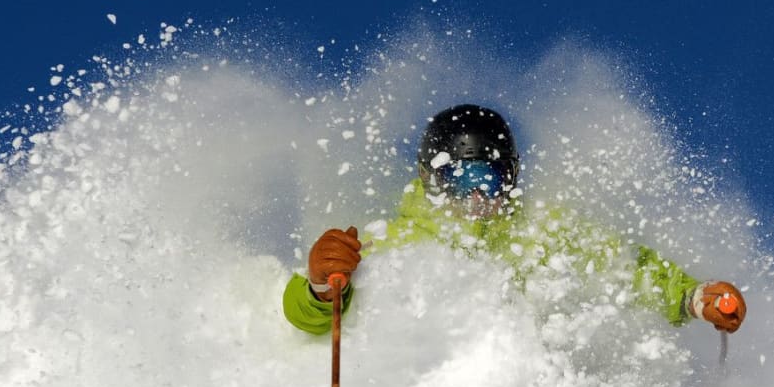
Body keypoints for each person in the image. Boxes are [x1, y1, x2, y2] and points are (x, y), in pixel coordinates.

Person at [283, 104, 747, 337]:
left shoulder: (541, 234)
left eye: (491, 176)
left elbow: (627, 267)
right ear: (428, 178)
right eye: (458, 177)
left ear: (513, 175)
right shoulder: (392, 243)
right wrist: (321, 288)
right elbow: (313, 320)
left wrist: (691, 296)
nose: (478, 194)